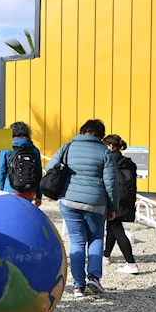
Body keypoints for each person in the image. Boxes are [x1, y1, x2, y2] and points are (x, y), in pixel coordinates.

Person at [46, 119, 118, 298]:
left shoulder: (68, 147)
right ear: (101, 135)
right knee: (95, 238)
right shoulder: (104, 152)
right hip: (96, 203)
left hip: (69, 201)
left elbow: (49, 167)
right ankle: (94, 276)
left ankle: (78, 286)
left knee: (77, 241)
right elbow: (111, 183)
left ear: (82, 131)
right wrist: (112, 206)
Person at [103, 134, 140, 274]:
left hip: (114, 198)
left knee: (117, 229)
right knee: (112, 227)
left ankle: (131, 263)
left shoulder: (109, 160)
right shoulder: (129, 163)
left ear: (111, 146)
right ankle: (106, 255)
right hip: (127, 198)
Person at [0, 121, 43, 206]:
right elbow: (39, 173)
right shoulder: (34, 149)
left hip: (11, 189)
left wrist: (1, 191)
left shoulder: (7, 148)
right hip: (30, 190)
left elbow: (2, 172)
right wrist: (39, 196)